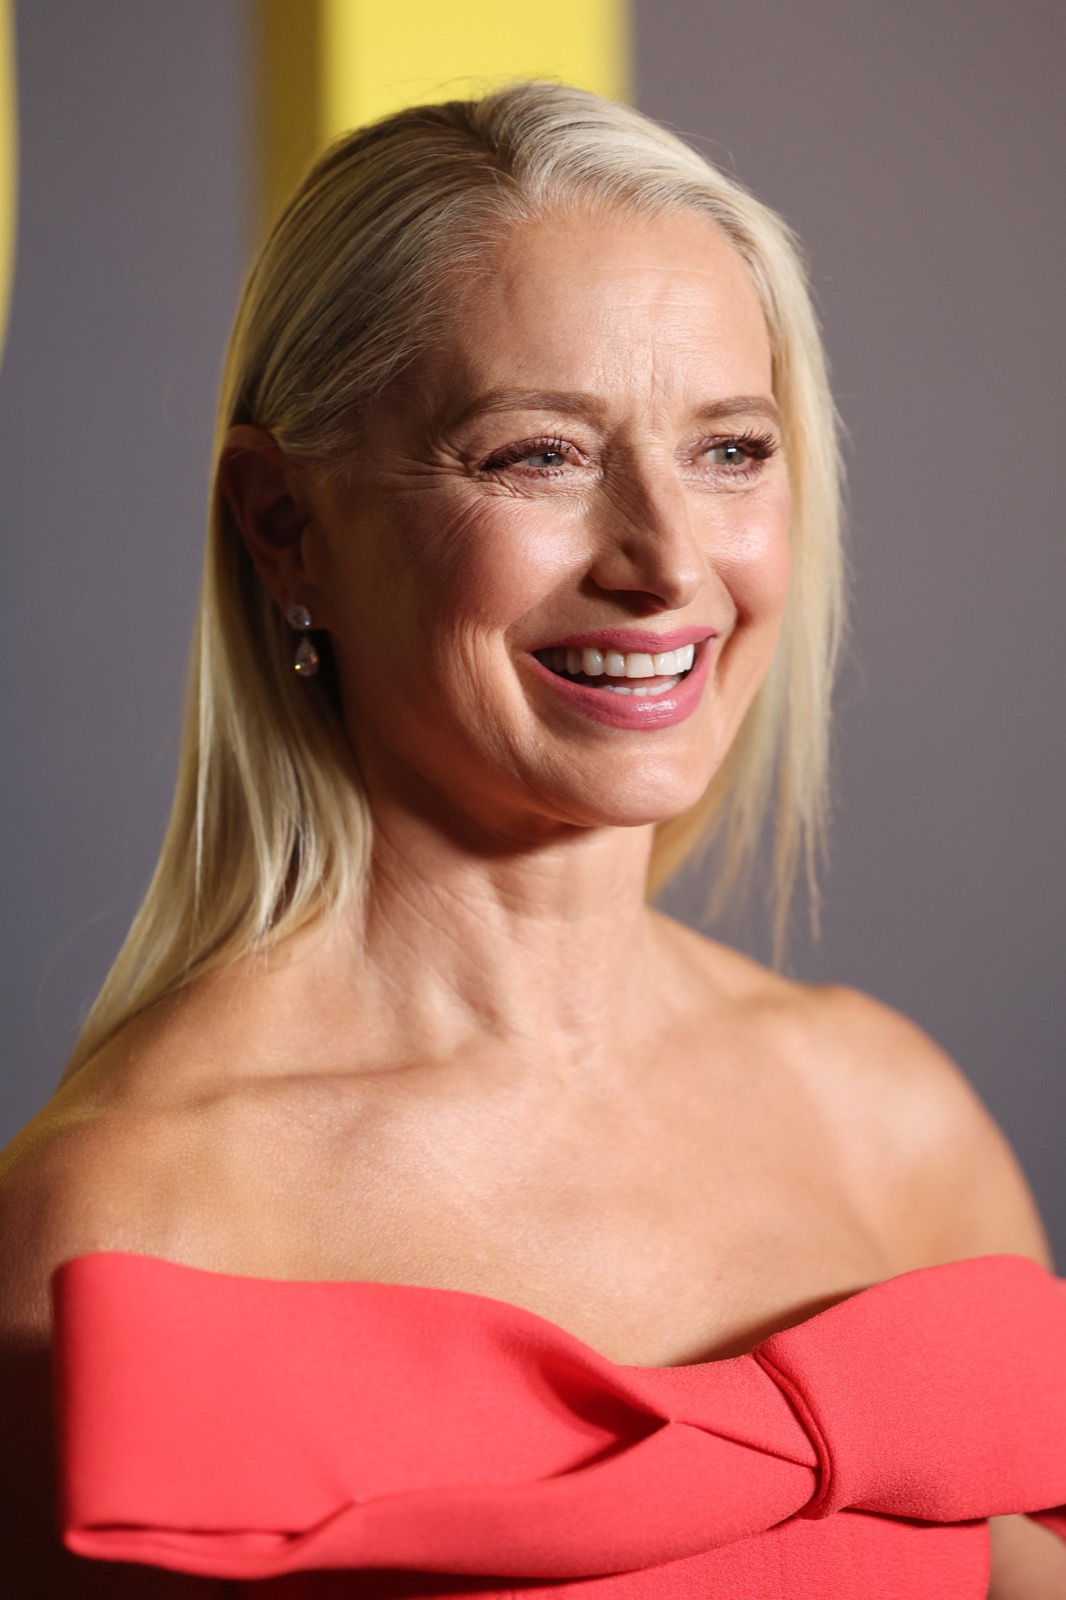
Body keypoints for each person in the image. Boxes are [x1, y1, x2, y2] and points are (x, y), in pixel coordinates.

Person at [1, 82, 1064, 1599]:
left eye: (730, 450)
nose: (667, 561)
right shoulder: (130, 1230)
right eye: (537, 456)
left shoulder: (891, 1120)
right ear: (284, 526)